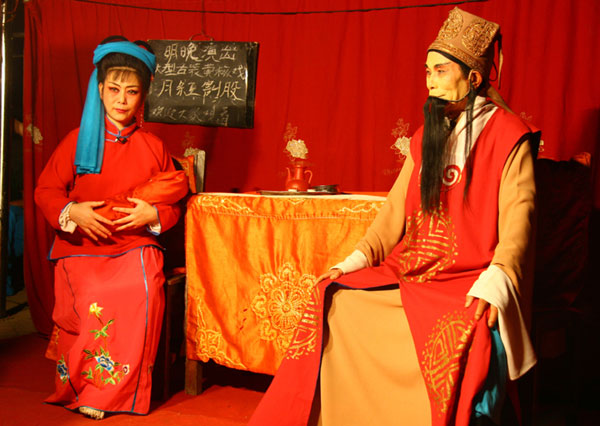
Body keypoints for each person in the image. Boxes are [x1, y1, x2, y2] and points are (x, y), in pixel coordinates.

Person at [249, 7, 539, 426]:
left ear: (473, 78)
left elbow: (520, 217)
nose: (430, 82)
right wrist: (353, 260)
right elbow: (391, 214)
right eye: (427, 72)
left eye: (440, 71)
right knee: (335, 298)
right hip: (416, 270)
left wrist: (499, 281)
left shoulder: (511, 135)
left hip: (470, 277)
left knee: (471, 330)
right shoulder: (427, 137)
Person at [34, 36, 189, 419]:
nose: (122, 99)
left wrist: (152, 216)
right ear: (100, 90)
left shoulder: (154, 147)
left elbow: (174, 205)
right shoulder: (75, 142)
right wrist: (74, 211)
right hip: (82, 246)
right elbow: (46, 190)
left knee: (141, 289)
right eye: (114, 89)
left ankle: (112, 396)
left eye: (132, 91)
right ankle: (85, 385)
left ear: (144, 94)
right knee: (96, 293)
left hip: (136, 247)